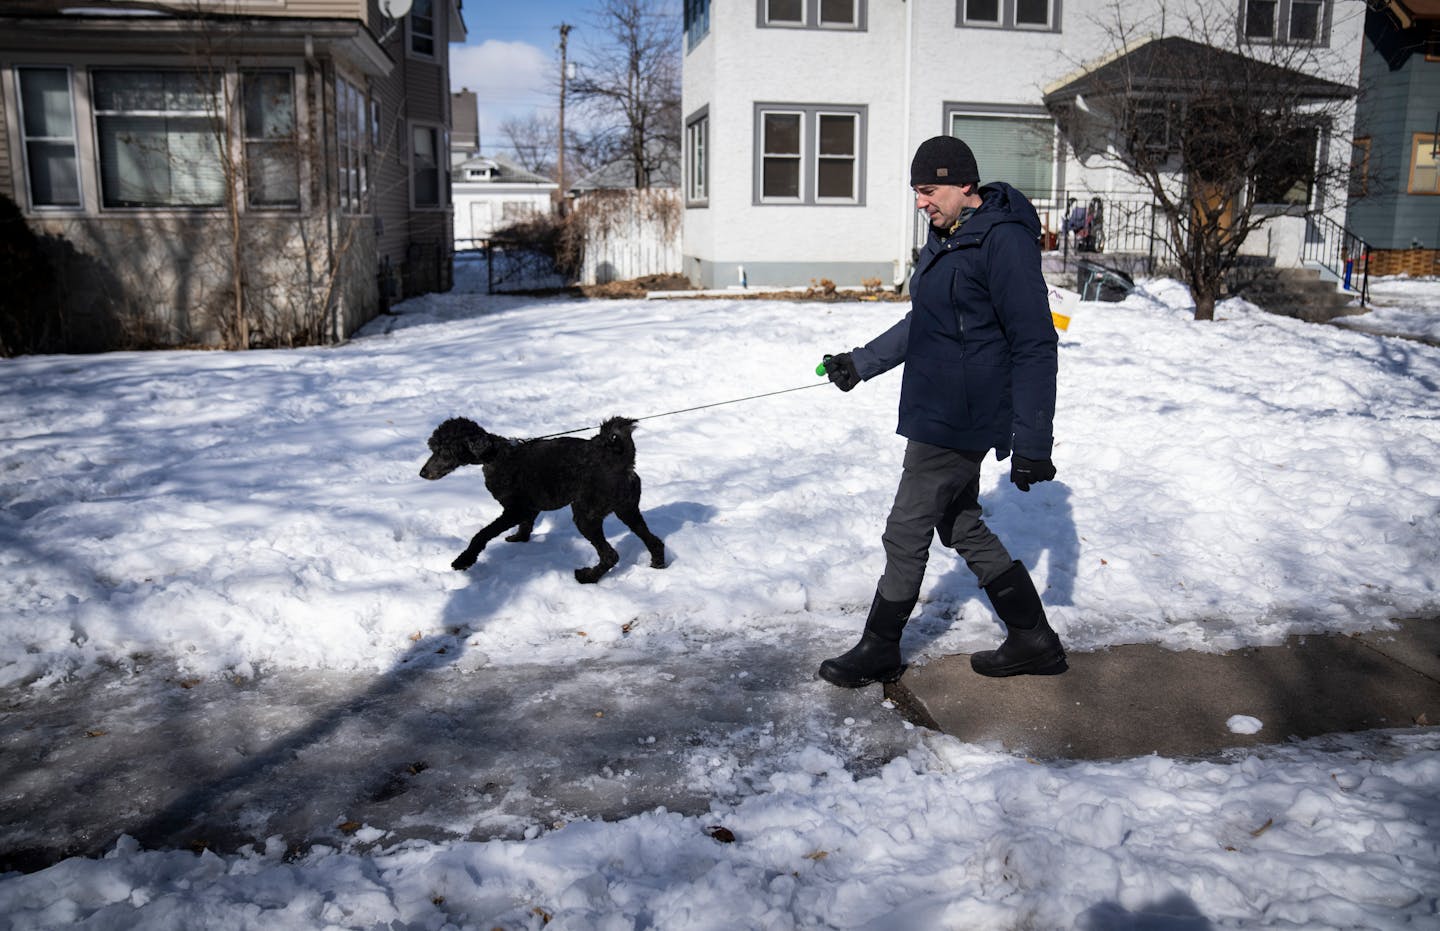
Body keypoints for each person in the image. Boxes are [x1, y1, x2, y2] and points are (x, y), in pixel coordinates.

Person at [818, 135, 1064, 688]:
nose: (921, 202)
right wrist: (861, 363)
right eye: (916, 192)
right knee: (959, 523)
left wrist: (1033, 442)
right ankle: (1033, 638)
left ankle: (880, 647)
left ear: (964, 185)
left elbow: (1034, 343)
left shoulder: (1001, 243)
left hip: (963, 413)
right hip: (935, 404)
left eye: (929, 190)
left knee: (906, 529)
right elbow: (924, 321)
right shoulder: (947, 237)